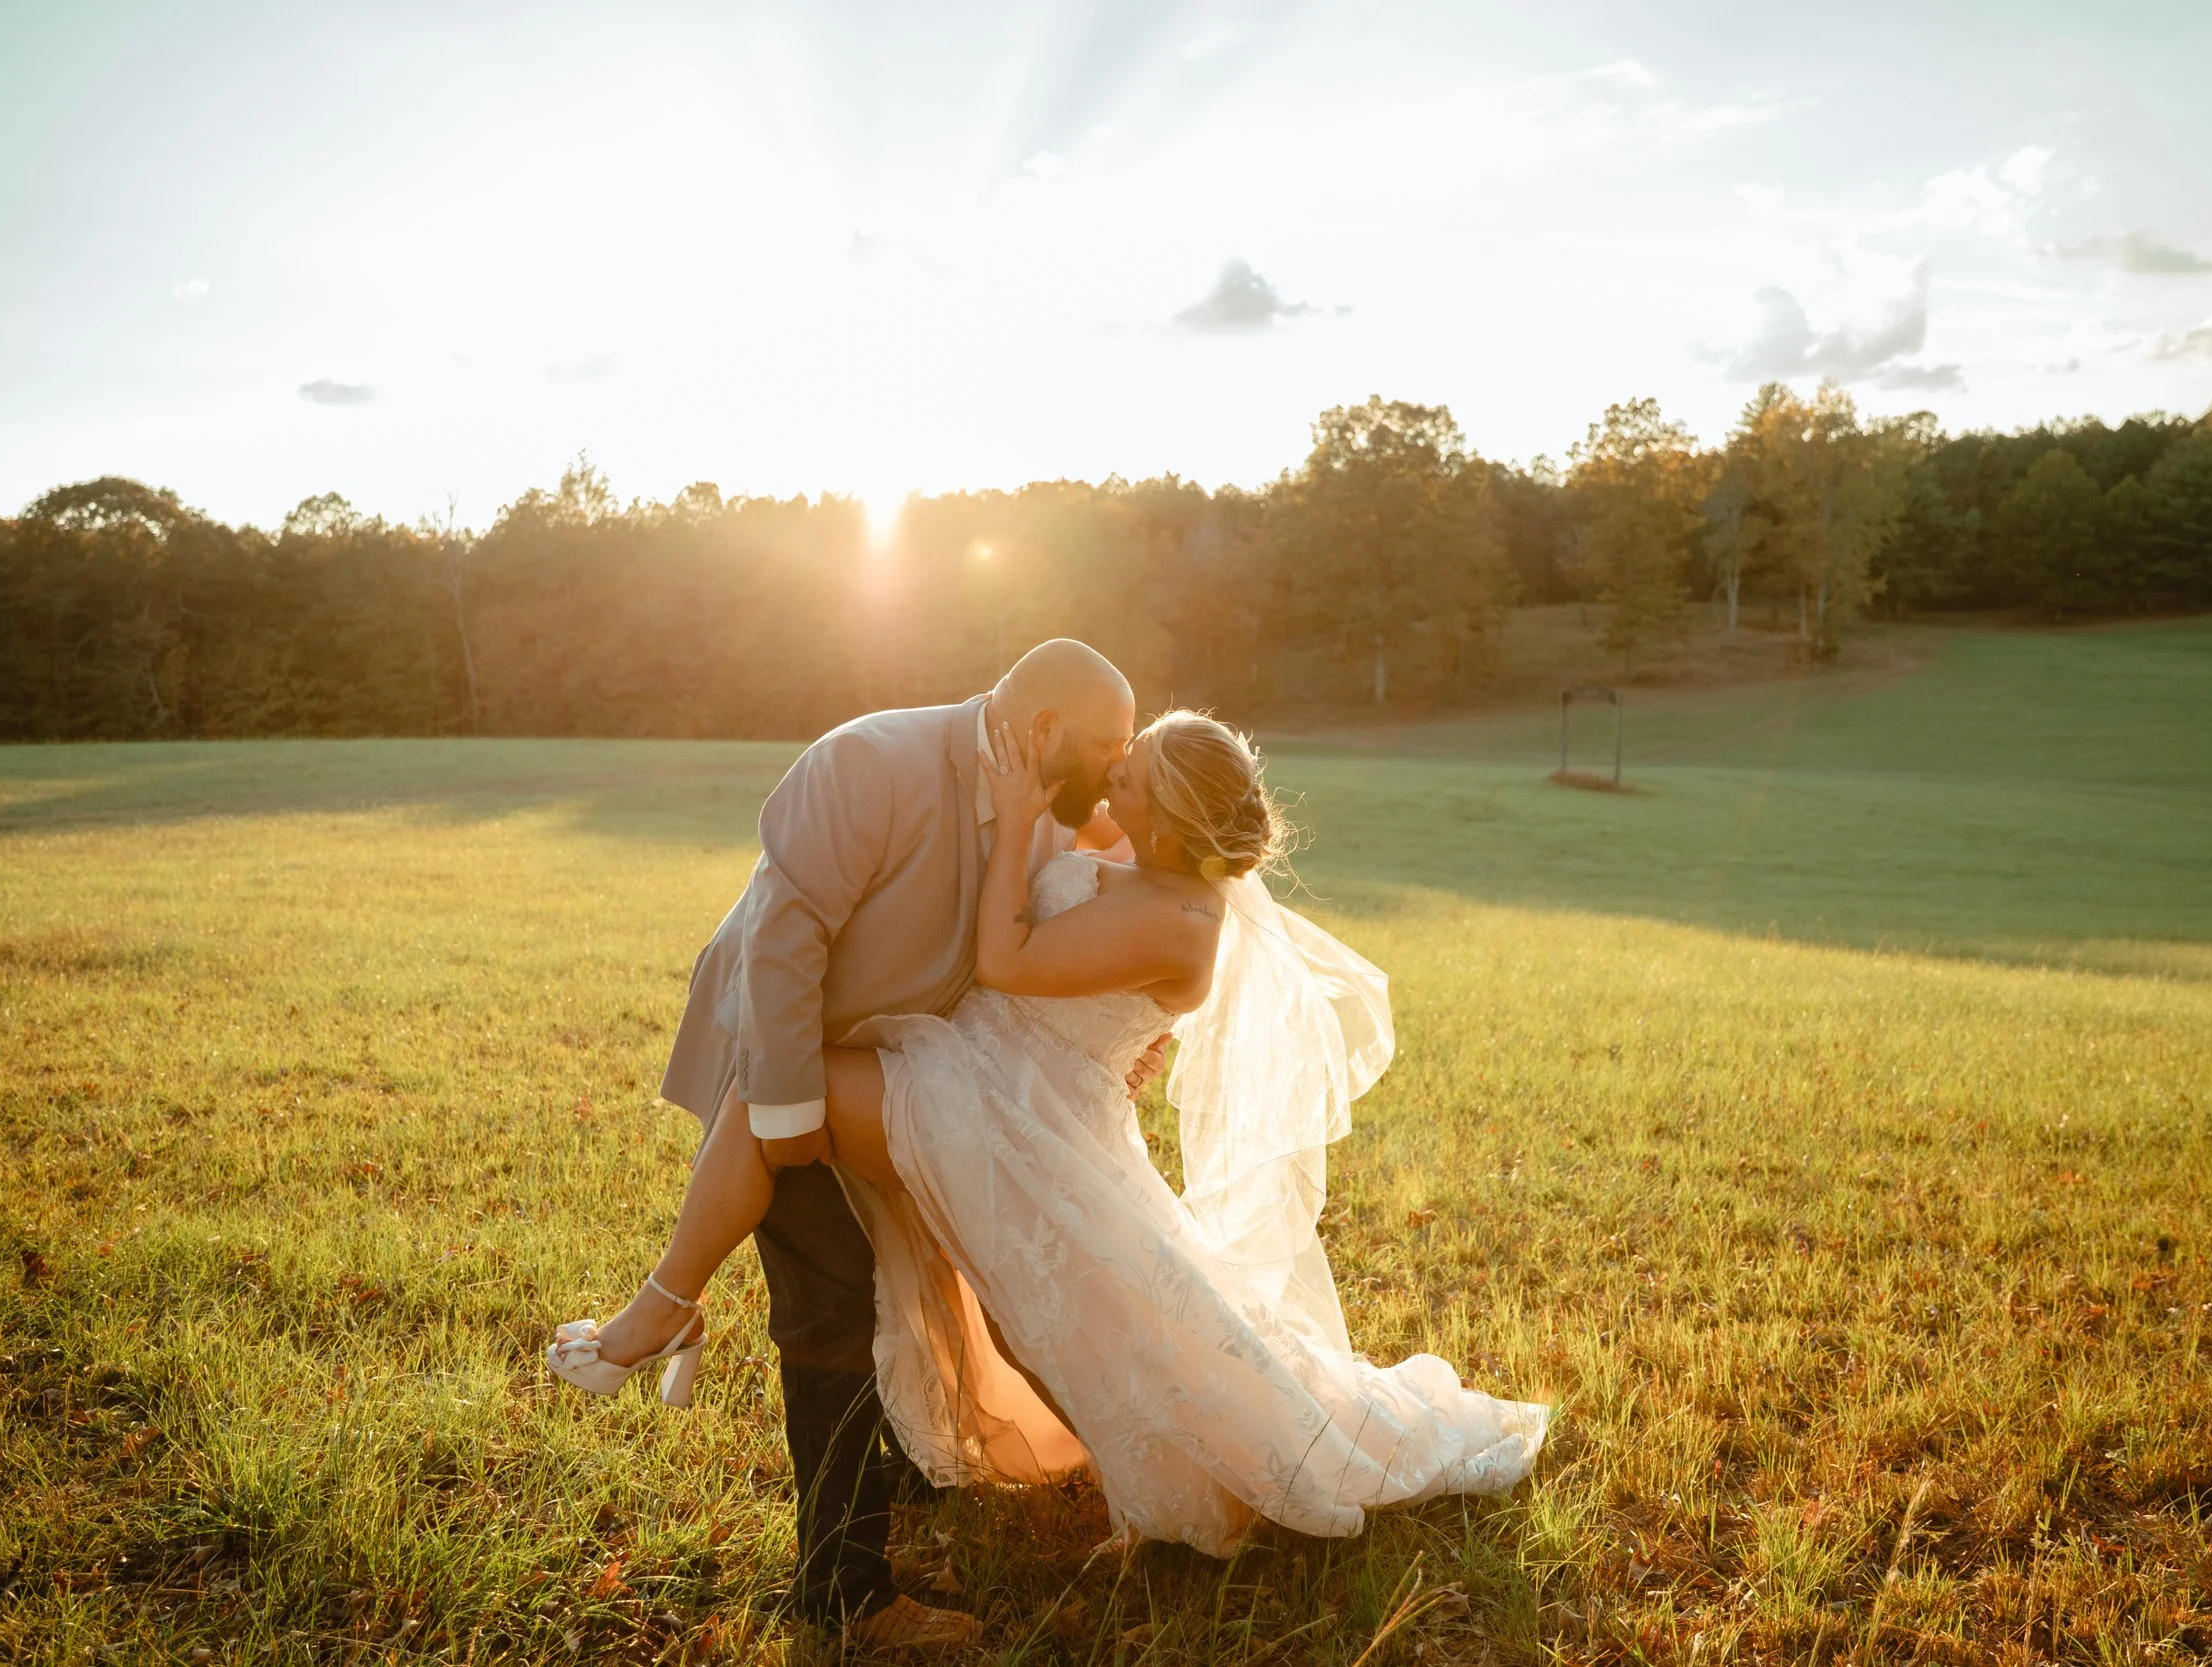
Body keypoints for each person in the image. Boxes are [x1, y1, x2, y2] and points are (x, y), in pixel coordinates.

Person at [552, 695, 1549, 1605]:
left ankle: (662, 1310)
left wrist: (1011, 808)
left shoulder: (1184, 924)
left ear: (1166, 817)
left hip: (1003, 1106)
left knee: (796, 1116)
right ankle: (668, 1309)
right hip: (987, 1077)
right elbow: (1065, 873)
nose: (1111, 774)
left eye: (1133, 770)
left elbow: (1006, 958)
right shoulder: (1148, 852)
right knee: (1033, 1304)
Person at [554, 640, 1148, 1650]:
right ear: (1043, 731)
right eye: (1106, 745)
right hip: (781, 1056)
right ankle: (845, 1593)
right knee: (830, 1298)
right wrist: (788, 1122)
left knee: (922, 1275)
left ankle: (913, 1467)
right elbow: (779, 948)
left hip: (906, 1075)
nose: (1114, 768)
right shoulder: (868, 761)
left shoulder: (1049, 810)